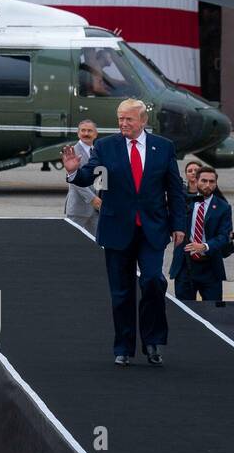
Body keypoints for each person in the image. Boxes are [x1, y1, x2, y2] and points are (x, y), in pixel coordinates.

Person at [62, 98, 186, 366]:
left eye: (129, 119)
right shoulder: (106, 146)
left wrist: (179, 225)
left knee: (153, 281)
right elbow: (90, 174)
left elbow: (174, 189)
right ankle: (124, 347)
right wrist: (73, 173)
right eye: (120, 119)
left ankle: (153, 342)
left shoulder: (163, 148)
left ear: (143, 121)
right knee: (121, 292)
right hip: (117, 227)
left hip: (152, 228)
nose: (123, 124)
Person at [170, 167, 233, 302]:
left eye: (212, 182)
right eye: (204, 181)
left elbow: (224, 236)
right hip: (185, 266)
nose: (208, 185)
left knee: (213, 312)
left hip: (210, 267)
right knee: (184, 311)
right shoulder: (184, 203)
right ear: (196, 181)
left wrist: (204, 246)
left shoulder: (223, 207)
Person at [65, 119, 101, 236]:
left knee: (98, 242)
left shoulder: (98, 151)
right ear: (78, 133)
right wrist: (92, 199)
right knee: (72, 242)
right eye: (83, 130)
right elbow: (74, 181)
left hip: (97, 210)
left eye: (89, 131)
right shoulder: (73, 152)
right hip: (78, 208)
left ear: (95, 134)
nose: (86, 133)